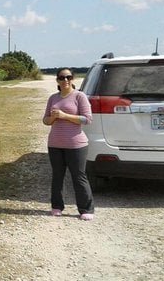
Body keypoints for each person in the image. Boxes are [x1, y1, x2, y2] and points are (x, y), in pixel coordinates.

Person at [42, 68, 95, 221]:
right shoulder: (53, 98)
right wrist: (52, 118)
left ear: (73, 79)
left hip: (76, 145)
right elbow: (45, 120)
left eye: (68, 77)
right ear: (57, 80)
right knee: (57, 176)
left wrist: (65, 116)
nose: (65, 80)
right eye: (62, 77)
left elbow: (87, 119)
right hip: (55, 144)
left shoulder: (79, 96)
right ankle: (57, 206)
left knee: (79, 176)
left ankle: (86, 209)